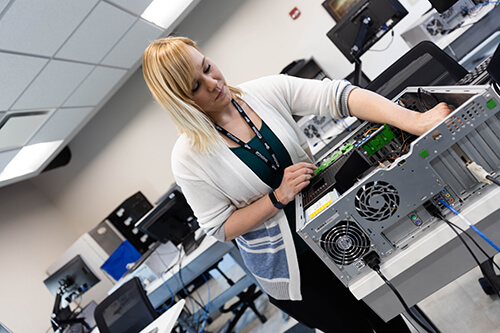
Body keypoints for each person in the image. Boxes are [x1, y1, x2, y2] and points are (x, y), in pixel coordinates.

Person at [142, 36, 452, 332]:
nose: (213, 83)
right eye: (196, 86)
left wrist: (411, 120)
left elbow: (341, 96)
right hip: (293, 269)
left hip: (340, 236)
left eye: (207, 67)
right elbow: (221, 227)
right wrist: (277, 197)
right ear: (180, 100)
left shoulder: (261, 93)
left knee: (389, 315)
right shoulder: (188, 157)